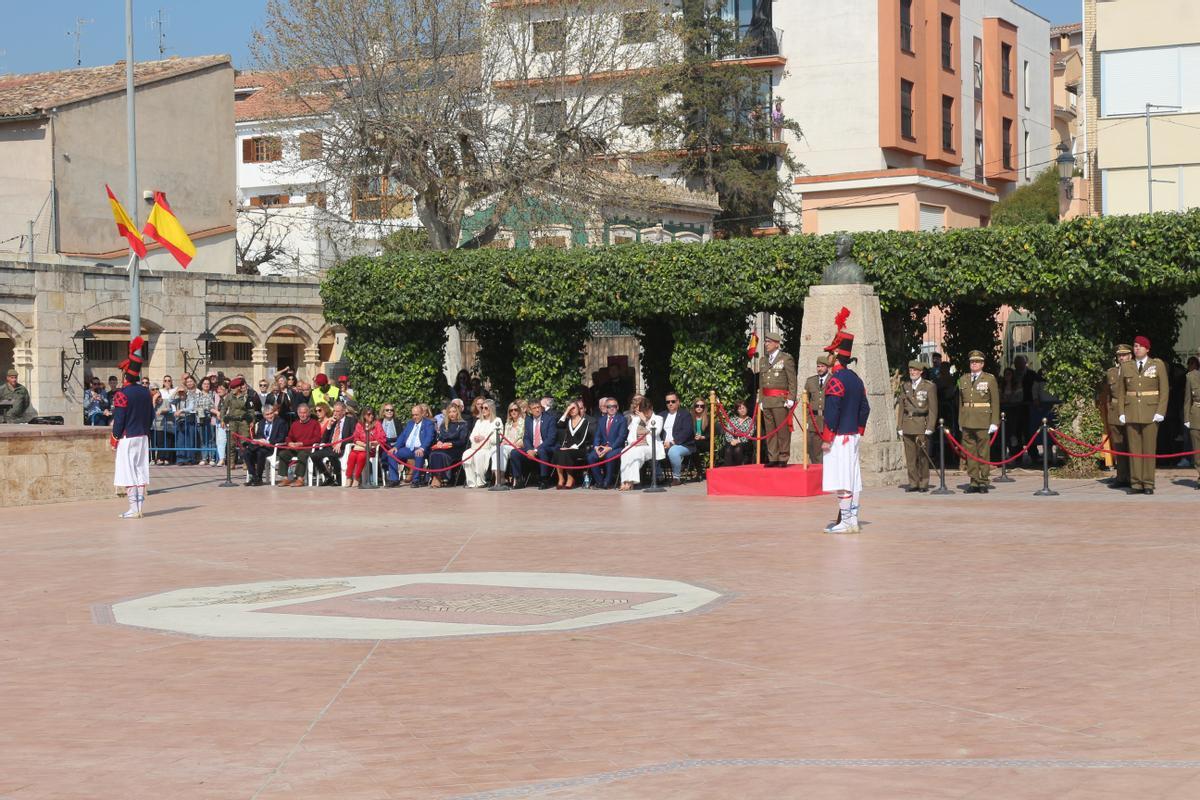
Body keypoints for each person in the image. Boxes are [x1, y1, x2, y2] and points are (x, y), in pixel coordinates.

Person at [819, 309, 870, 533]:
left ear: (836, 356)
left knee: (841, 479)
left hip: (839, 436)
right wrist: (857, 430)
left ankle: (847, 521)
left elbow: (832, 412)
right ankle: (852, 519)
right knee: (853, 478)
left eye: (831, 352)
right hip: (853, 435)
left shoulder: (835, 381)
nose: (828, 356)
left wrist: (827, 438)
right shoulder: (856, 380)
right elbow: (865, 408)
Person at [1116, 335, 1169, 495]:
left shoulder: (1157, 365)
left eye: (1140, 346)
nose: (1137, 348)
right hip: (1131, 411)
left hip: (1151, 412)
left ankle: (1148, 483)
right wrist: (1121, 412)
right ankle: (1136, 483)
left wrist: (1160, 411)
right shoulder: (1126, 366)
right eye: (1135, 345)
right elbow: (1121, 391)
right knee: (1134, 449)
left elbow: (1164, 390)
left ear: (1147, 348)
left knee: (1149, 450)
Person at [110, 338, 154, 519]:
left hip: (128, 437)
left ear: (125, 374)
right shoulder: (146, 392)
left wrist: (115, 437)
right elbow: (151, 415)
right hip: (143, 436)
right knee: (140, 471)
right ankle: (139, 508)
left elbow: (119, 419)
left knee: (128, 472)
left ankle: (134, 508)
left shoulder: (122, 393)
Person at [750, 329, 797, 468]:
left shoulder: (786, 358)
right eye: (766, 341)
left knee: (782, 431)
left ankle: (783, 457)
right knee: (770, 431)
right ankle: (773, 457)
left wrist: (791, 398)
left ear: (777, 344)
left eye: (769, 342)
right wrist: (761, 399)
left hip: (780, 400)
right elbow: (761, 382)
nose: (766, 344)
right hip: (767, 400)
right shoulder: (763, 360)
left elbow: (792, 381)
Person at [956, 351, 1000, 493]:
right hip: (968, 419)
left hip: (982, 420)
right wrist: (960, 421)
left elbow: (995, 401)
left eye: (976, 362)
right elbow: (961, 402)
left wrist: (994, 422)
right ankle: (973, 480)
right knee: (970, 453)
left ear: (982, 364)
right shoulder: (963, 379)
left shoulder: (989, 379)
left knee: (983, 452)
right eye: (972, 362)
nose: (973, 364)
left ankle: (983, 480)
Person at [897, 359, 938, 492]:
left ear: (921, 372)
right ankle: (913, 483)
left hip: (921, 423)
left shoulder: (928, 386)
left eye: (915, 370)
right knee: (910, 457)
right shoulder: (905, 385)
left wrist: (930, 426)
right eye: (911, 370)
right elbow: (901, 407)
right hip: (908, 423)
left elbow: (932, 408)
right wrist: (899, 426)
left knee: (922, 456)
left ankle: (923, 482)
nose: (912, 372)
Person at [1100, 344, 1133, 488]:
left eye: (1125, 355)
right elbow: (1106, 395)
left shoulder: (1135, 371)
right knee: (1119, 447)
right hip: (1114, 412)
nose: (1122, 357)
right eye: (1120, 355)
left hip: (1130, 411)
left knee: (1132, 446)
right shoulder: (1111, 372)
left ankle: (1134, 477)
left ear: (1130, 356)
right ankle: (1121, 476)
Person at [512, 397, 558, 489]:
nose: (537, 410)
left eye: (538, 407)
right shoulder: (528, 420)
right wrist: (529, 449)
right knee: (514, 453)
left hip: (547, 447)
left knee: (542, 451)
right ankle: (519, 479)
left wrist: (536, 450)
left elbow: (551, 439)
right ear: (529, 410)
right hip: (531, 448)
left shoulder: (550, 419)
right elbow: (526, 437)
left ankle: (544, 479)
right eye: (534, 408)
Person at [619, 398, 663, 490]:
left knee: (637, 452)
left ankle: (631, 481)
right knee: (624, 452)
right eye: (642, 411)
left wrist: (646, 421)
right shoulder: (636, 420)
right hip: (636, 445)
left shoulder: (658, 418)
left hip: (650, 446)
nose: (645, 413)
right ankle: (624, 481)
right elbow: (630, 437)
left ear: (651, 408)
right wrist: (637, 420)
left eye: (646, 411)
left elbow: (656, 432)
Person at [276, 403, 324, 486]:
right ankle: (285, 478)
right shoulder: (295, 424)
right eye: (301, 413)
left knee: (302, 455)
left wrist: (302, 443)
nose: (303, 415)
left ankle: (299, 479)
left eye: (305, 412)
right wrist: (290, 443)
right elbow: (289, 437)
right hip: (295, 448)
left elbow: (317, 439)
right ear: (298, 413)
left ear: (308, 413)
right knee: (283, 454)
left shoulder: (314, 423)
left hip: (308, 448)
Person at [244, 404, 288, 485]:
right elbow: (259, 435)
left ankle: (259, 477)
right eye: (267, 414)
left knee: (260, 452)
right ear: (264, 415)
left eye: (271, 413)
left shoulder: (281, 422)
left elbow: (282, 438)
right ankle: (254, 476)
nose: (270, 416)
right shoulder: (261, 423)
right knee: (246, 452)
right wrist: (258, 440)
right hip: (261, 446)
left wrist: (268, 442)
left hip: (273, 447)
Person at [553, 399, 593, 489]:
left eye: (574, 408)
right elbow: (559, 424)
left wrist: (570, 448)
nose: (572, 410)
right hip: (567, 448)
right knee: (558, 452)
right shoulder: (568, 421)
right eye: (570, 409)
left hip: (579, 448)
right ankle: (561, 478)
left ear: (578, 409)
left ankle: (570, 478)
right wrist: (567, 411)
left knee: (566, 453)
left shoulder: (585, 422)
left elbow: (582, 439)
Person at [658, 392, 697, 485]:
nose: (670, 403)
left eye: (673, 401)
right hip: (663, 444)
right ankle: (658, 477)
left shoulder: (685, 414)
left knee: (673, 451)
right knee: (651, 450)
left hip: (683, 444)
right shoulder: (661, 415)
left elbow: (687, 432)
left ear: (678, 402)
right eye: (668, 402)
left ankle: (676, 478)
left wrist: (672, 443)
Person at [589, 397, 628, 489]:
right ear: (606, 408)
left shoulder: (622, 419)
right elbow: (597, 435)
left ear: (617, 407)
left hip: (616, 448)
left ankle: (608, 482)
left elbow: (621, 437)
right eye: (609, 406)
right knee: (591, 457)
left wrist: (610, 448)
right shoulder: (601, 420)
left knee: (609, 456)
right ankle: (600, 482)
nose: (611, 408)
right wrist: (596, 447)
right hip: (603, 447)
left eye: (614, 406)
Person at [394, 404, 437, 487]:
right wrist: (396, 447)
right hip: (408, 449)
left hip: (421, 449)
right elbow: (402, 436)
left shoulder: (428, 424)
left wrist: (422, 448)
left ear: (422, 414)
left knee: (418, 454)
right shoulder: (410, 423)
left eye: (416, 415)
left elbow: (429, 437)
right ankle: (394, 479)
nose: (414, 417)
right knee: (392, 454)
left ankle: (416, 480)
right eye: (413, 415)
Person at [429, 401, 469, 488]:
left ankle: (438, 479)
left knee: (442, 454)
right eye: (450, 412)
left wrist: (451, 443)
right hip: (444, 447)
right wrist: (439, 441)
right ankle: (436, 477)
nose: (452, 414)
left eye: (454, 411)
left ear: (457, 412)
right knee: (434, 453)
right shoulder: (444, 424)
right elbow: (441, 438)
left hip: (456, 447)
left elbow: (462, 441)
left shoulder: (463, 424)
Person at [464, 399, 503, 488]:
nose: (483, 410)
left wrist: (484, 438)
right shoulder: (478, 421)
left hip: (488, 447)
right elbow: (472, 435)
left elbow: (498, 437)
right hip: (476, 446)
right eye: (482, 408)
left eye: (486, 408)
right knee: (466, 454)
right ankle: (471, 481)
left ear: (491, 409)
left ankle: (481, 481)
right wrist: (475, 438)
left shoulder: (497, 420)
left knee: (479, 455)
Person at [345, 407, 386, 487]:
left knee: (361, 456)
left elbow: (382, 438)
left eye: (372, 414)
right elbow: (355, 438)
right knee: (352, 455)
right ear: (364, 416)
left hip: (371, 449)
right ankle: (349, 477)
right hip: (361, 446)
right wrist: (364, 444)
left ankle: (357, 478)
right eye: (368, 414)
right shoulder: (360, 424)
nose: (371, 416)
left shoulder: (377, 424)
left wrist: (372, 443)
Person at [220, 377, 254, 469]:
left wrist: (252, 421)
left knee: (244, 443)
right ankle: (231, 462)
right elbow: (223, 408)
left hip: (243, 422)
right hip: (232, 421)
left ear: (239, 388)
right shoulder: (230, 396)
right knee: (231, 443)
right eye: (232, 388)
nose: (232, 390)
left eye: (234, 388)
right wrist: (222, 419)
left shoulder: (247, 397)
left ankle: (246, 462)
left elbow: (251, 410)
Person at [802, 356, 830, 464]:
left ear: (827, 367)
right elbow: (805, 402)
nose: (820, 369)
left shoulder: (832, 379)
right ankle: (817, 473)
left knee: (828, 452)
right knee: (813, 450)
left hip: (827, 420)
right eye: (818, 366)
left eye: (822, 366)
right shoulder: (810, 381)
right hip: (813, 421)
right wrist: (806, 420)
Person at [498, 401, 526, 484]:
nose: (513, 412)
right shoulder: (508, 424)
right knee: (498, 448)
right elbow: (504, 438)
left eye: (515, 410)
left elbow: (524, 438)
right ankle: (500, 477)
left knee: (502, 449)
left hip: (518, 446)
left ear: (519, 411)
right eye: (511, 410)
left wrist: (512, 444)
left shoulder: (524, 422)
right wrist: (503, 442)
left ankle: (501, 477)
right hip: (507, 446)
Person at [721, 400, 755, 466]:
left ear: (746, 408)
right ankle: (727, 470)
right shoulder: (732, 419)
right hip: (732, 440)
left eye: (743, 408)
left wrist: (739, 440)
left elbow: (750, 434)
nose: (742, 410)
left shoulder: (751, 421)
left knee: (738, 449)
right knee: (728, 450)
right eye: (740, 409)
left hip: (745, 442)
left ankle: (737, 469)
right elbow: (728, 432)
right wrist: (732, 440)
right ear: (737, 410)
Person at [1184, 356, 1200, 487]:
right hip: (1196, 415)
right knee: (1197, 450)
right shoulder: (1191, 376)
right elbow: (1187, 399)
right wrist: (1186, 418)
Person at [379, 403, 403, 486]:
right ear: (383, 412)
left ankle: (393, 478)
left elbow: (401, 436)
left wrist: (397, 446)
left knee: (392, 453)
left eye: (391, 410)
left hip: (395, 445)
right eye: (387, 410)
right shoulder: (379, 422)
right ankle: (388, 473)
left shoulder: (397, 422)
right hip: (383, 445)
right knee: (385, 454)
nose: (389, 412)